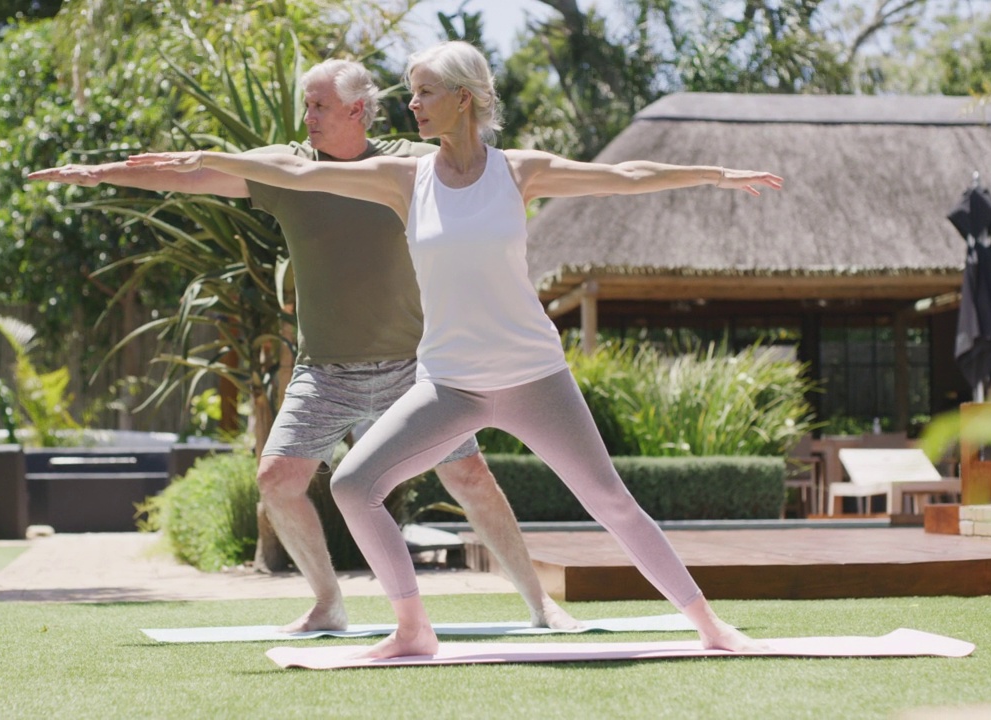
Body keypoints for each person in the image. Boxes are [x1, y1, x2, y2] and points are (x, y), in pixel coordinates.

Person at [126, 40, 783, 659]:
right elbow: (298, 172)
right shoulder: (403, 180)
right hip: (450, 386)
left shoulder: (517, 171)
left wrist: (712, 174)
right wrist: (209, 162)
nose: (411, 104)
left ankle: (710, 626)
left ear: (463, 97)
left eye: (424, 92)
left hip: (533, 377)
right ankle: (414, 629)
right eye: (411, 93)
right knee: (355, 486)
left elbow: (627, 174)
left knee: (610, 501)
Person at [28, 58, 579, 633]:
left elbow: (484, 164)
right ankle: (328, 604)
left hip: (413, 371)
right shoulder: (286, 168)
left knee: (469, 478)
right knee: (277, 482)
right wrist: (98, 173)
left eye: (319, 106)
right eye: (306, 104)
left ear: (357, 110)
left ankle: (541, 605)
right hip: (326, 373)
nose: (307, 116)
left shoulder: (411, 165)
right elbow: (186, 174)